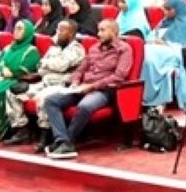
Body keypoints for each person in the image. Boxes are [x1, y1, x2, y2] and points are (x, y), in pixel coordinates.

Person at [42, 19, 133, 159]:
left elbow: (119, 77)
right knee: (51, 101)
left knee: (84, 106)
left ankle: (67, 142)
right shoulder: (94, 48)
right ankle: (63, 140)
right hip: (82, 87)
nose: (98, 34)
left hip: (104, 90)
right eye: (98, 30)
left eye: (103, 30)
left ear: (114, 31)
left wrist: (92, 86)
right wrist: (75, 82)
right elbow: (80, 69)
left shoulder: (124, 49)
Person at [2, 19, 87, 150]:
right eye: (57, 29)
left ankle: (45, 135)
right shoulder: (55, 47)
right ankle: (22, 130)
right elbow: (40, 66)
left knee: (43, 98)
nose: (57, 32)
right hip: (44, 81)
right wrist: (50, 65)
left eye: (61, 30)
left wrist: (49, 64)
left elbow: (60, 66)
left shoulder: (77, 49)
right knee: (12, 91)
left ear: (71, 33)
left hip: (62, 85)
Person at [141, 0, 186, 111]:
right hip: (157, 49)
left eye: (169, 9)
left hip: (173, 53)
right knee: (144, 54)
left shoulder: (185, 23)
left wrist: (165, 43)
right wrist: (154, 40)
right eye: (164, 9)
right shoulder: (164, 22)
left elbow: (184, 46)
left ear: (177, 9)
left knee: (150, 61)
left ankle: (154, 95)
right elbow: (151, 36)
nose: (165, 12)